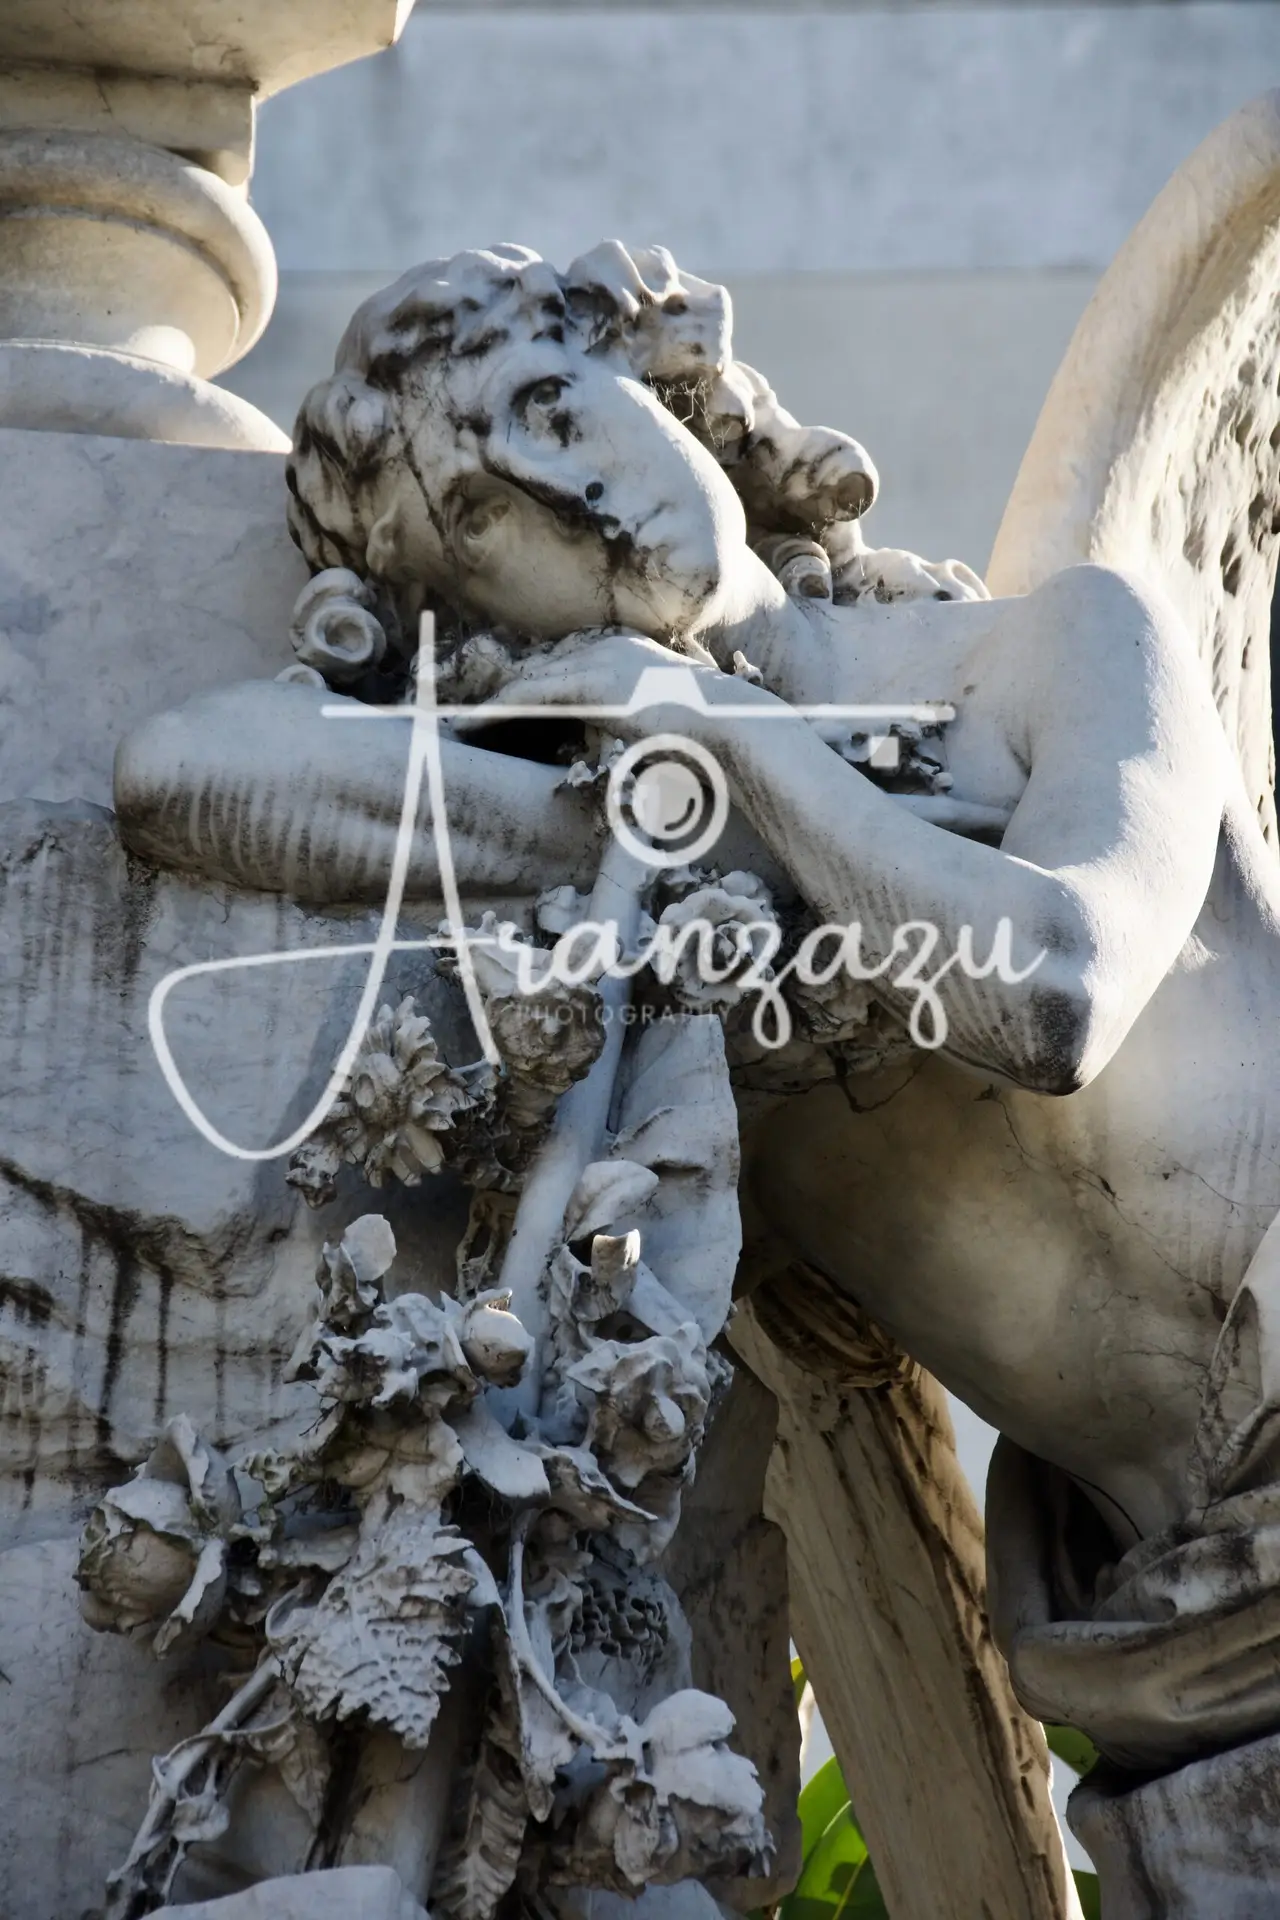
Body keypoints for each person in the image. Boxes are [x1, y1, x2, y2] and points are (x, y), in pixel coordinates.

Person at [115, 239, 1280, 1864]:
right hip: (1174, 1626)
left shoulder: (1052, 646)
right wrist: (601, 758)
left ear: (673, 395)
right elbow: (186, 766)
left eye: (556, 406)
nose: (564, 491)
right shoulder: (643, 865)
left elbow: (1054, 991)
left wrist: (728, 739)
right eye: (478, 514)